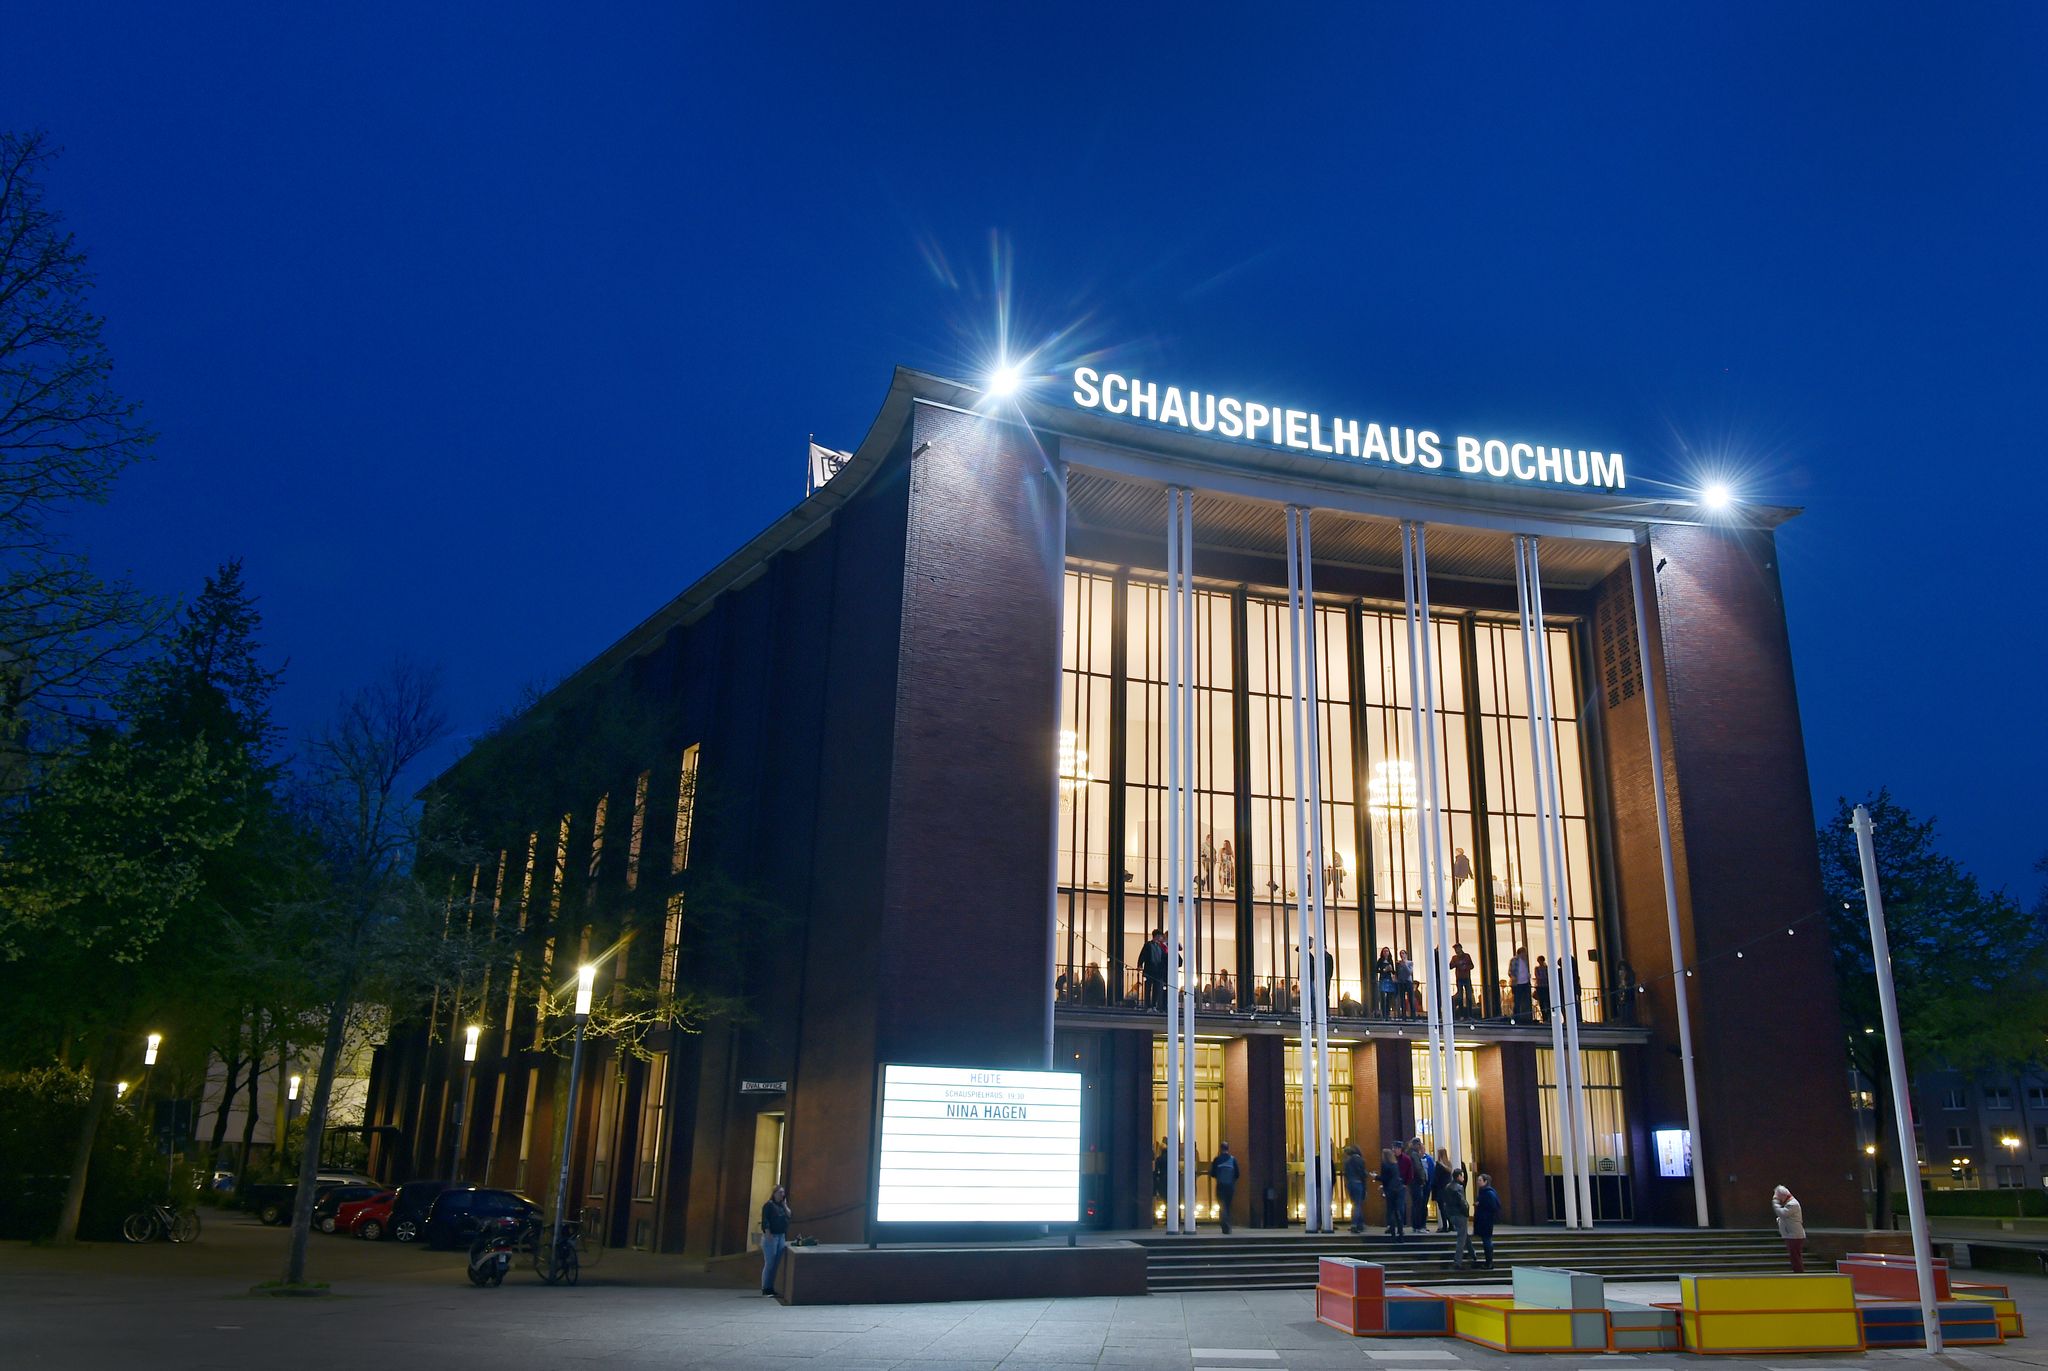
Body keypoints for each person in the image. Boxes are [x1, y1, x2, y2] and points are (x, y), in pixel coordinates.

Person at [759, 1184, 791, 1296]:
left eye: (783, 1192)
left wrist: (785, 1205)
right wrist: (768, 1233)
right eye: (780, 1192)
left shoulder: (782, 1205)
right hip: (771, 1236)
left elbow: (789, 1215)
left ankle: (771, 1287)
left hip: (781, 1236)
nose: (782, 1194)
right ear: (774, 1194)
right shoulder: (769, 1205)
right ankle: (765, 1288)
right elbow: (765, 1220)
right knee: (770, 1263)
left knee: (776, 1263)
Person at [1440, 1170, 1472, 1268]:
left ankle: (1472, 1253)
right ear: (1458, 1176)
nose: (1463, 1178)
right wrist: (1466, 1212)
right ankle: (1458, 1261)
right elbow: (1462, 1202)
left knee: (1464, 1234)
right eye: (1462, 1176)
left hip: (1451, 1214)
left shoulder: (1447, 1187)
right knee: (1461, 1238)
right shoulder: (1459, 1187)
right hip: (1460, 1214)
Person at [1772, 1186, 1806, 1272]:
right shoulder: (1789, 1204)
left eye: (1779, 1197)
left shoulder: (1793, 1204)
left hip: (1795, 1235)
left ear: (1783, 1196)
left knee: (1795, 1257)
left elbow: (1783, 1213)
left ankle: (1799, 1274)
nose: (1779, 1200)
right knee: (1794, 1256)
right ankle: (1797, 1272)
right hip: (1791, 1234)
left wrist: (1775, 1203)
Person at [1209, 1142, 1240, 1233]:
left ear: (1220, 1149)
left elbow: (1212, 1173)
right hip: (1230, 1186)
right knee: (1228, 1205)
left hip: (1220, 1185)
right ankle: (1228, 1224)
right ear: (1228, 1149)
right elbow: (1237, 1174)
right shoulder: (1233, 1159)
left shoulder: (1217, 1159)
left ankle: (1224, 1224)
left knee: (1222, 1205)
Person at [1472, 1172, 1501, 1268]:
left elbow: (1493, 1206)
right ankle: (1488, 1262)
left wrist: (1480, 1204)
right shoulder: (1484, 1192)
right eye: (1478, 1180)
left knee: (1487, 1240)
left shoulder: (1488, 1193)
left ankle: (1489, 1262)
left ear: (1485, 1181)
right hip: (1484, 1220)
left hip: (1486, 1220)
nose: (1478, 1182)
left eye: (1480, 1180)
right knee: (1486, 1240)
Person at [1379, 1146, 1407, 1239]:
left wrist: (1376, 1177)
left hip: (1390, 1190)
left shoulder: (1385, 1165)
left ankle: (1393, 1233)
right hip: (1398, 1189)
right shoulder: (1395, 1164)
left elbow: (1385, 1178)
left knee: (1390, 1211)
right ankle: (1400, 1233)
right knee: (1398, 1211)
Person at [1406, 1138, 1430, 1233]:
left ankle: (1415, 1226)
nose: (1420, 1147)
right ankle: (1419, 1226)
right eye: (1419, 1145)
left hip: (1412, 1182)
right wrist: (1423, 1179)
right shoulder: (1414, 1154)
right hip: (1417, 1182)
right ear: (1416, 1145)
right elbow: (1418, 1168)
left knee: (1415, 1204)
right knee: (1418, 1204)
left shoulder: (1408, 1153)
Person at [1140, 929, 1168, 1012]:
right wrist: (1140, 964)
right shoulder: (1148, 945)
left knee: (1156, 989)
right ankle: (1148, 1006)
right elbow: (1143, 955)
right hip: (1149, 970)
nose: (1162, 938)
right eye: (1161, 936)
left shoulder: (1161, 947)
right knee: (1148, 988)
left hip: (1158, 971)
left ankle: (1153, 1006)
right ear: (1157, 936)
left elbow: (1164, 957)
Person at [1343, 1144, 1369, 1234]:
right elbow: (1362, 1174)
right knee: (1358, 1204)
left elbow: (1346, 1173)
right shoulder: (1360, 1160)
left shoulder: (1347, 1161)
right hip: (1358, 1183)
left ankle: (1360, 1224)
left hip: (1350, 1183)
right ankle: (1355, 1224)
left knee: (1354, 1204)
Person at [1432, 1148, 1455, 1232]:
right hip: (1447, 1189)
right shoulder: (1448, 1164)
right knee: (1447, 1208)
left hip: (1440, 1189)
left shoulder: (1439, 1165)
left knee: (1442, 1208)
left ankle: (1445, 1226)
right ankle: (1451, 1225)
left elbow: (1436, 1178)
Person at [1508, 946, 1532, 1023]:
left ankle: (1524, 1017)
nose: (1525, 954)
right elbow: (1511, 971)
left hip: (1525, 983)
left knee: (1524, 1001)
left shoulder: (1524, 960)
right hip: (1517, 983)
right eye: (1524, 953)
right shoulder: (1514, 960)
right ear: (1521, 953)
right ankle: (1517, 1018)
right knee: (1517, 1001)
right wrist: (1514, 977)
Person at [1451, 943, 1475, 1016]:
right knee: (1460, 997)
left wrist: (1465, 967)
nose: (1456, 950)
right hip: (1459, 979)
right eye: (1455, 949)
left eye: (1457, 949)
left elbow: (1472, 966)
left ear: (1461, 948)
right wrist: (1455, 964)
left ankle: (1469, 1014)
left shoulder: (1467, 956)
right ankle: (1461, 1014)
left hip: (1466, 978)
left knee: (1469, 996)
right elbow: (1450, 966)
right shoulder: (1454, 958)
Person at [1375, 947, 1396, 1017]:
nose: (1386, 953)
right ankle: (1383, 1013)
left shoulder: (1390, 960)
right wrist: (1384, 970)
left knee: (1389, 997)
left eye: (1387, 951)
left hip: (1389, 979)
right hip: (1383, 979)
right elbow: (1376, 970)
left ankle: (1388, 1012)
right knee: (1383, 997)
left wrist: (1391, 970)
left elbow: (1393, 971)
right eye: (1384, 951)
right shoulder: (1380, 960)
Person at [1396, 949, 1417, 1019]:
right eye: (1401, 954)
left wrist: (1404, 964)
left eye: (1403, 953)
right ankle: (1403, 1015)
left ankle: (1413, 1015)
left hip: (1408, 982)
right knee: (1402, 999)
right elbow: (1398, 973)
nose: (1402, 955)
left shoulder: (1410, 963)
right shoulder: (1399, 963)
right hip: (1401, 982)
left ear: (1406, 954)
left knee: (1411, 998)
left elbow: (1409, 972)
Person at [1534, 954, 1550, 1023]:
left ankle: (1548, 1017)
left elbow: (1539, 977)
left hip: (1544, 987)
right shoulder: (1538, 968)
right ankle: (1545, 1018)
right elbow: (1538, 977)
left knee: (1547, 1002)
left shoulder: (1546, 968)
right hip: (1541, 987)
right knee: (1542, 1003)